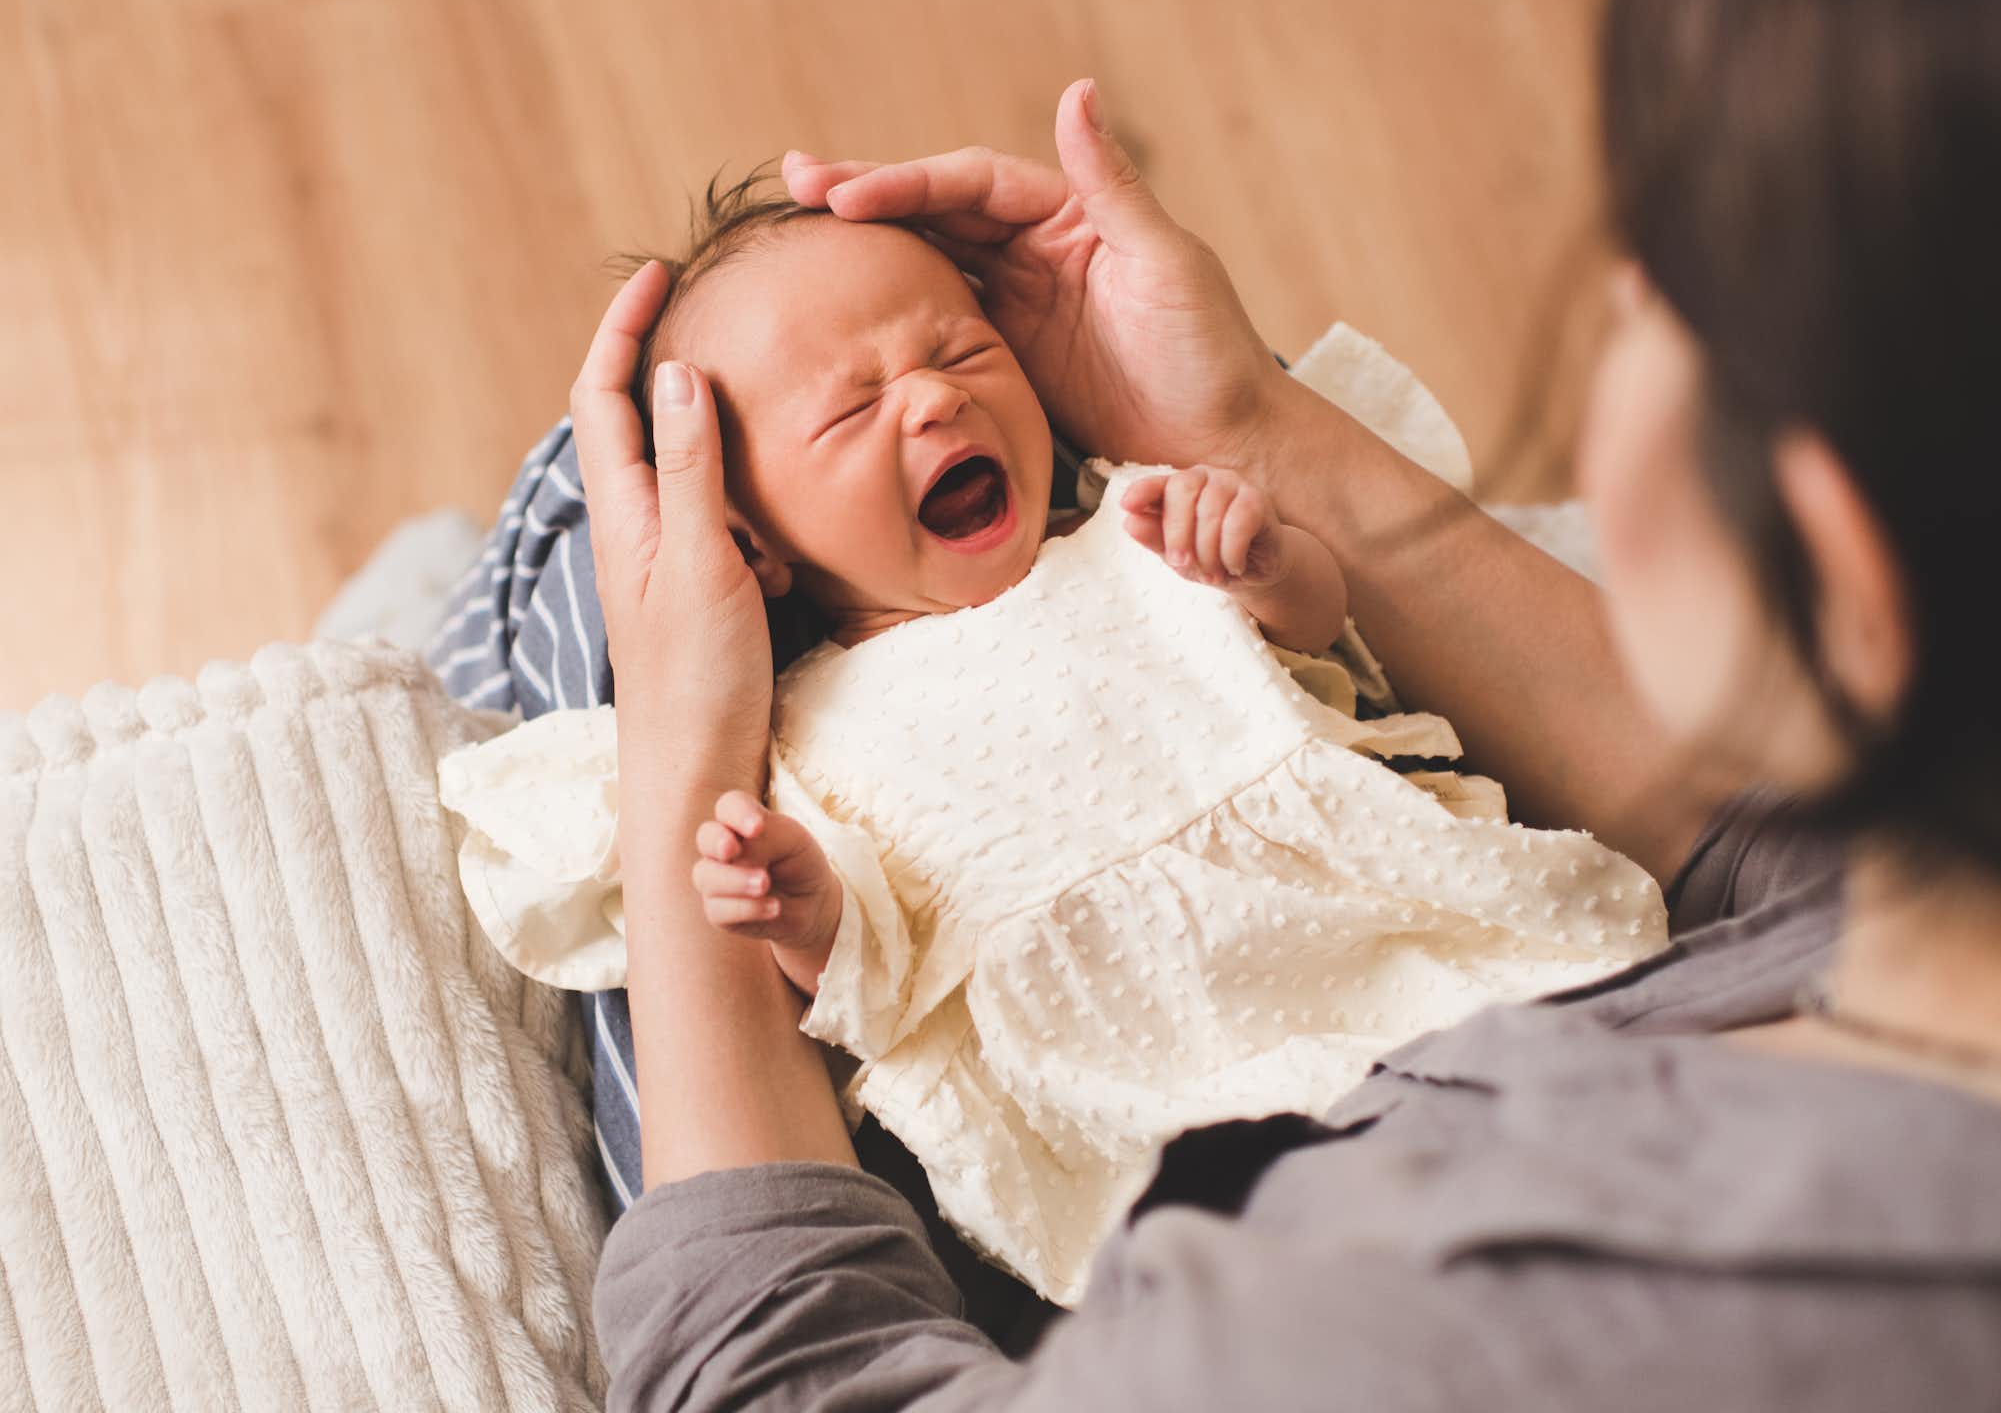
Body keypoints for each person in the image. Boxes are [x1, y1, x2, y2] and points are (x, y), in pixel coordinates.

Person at [568, 0, 2001, 1407]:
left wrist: (673, 762)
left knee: (543, 539)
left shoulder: (1416, 1333)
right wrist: (1251, 427)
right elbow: (1808, 886)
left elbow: (786, 1372)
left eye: (1662, 291)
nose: (939, 398)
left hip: (1210, 1106)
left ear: (1839, 556)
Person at [439, 177, 1668, 1305]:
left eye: (963, 348)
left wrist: (1259, 560)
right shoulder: (796, 730)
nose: (932, 396)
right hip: (1132, 1073)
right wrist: (802, 907)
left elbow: (1329, 664)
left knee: (1565, 1060)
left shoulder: (1131, 529)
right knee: (1258, 1252)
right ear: (749, 546)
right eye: (852, 409)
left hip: (1382, 938)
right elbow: (876, 979)